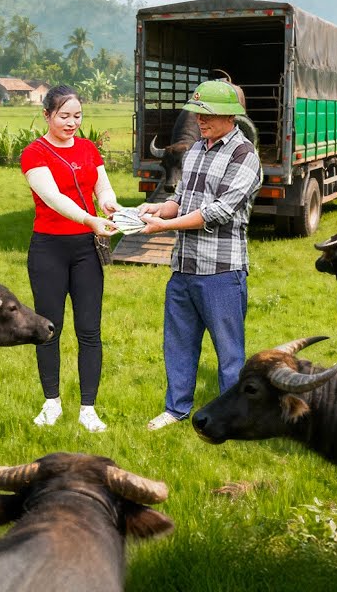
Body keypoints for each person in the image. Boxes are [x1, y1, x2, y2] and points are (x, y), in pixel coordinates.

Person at [136, 79, 262, 430]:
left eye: (205, 114)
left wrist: (165, 228)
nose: (198, 121)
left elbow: (219, 211)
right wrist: (159, 209)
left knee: (229, 355)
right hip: (183, 268)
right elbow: (185, 200)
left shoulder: (244, 155)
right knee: (178, 346)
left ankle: (234, 420)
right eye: (197, 113)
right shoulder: (195, 150)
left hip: (220, 271)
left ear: (228, 115)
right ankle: (175, 410)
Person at [20, 85, 118, 432]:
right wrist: (90, 219)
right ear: (46, 115)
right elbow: (53, 198)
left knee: (89, 330)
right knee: (49, 329)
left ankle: (88, 409)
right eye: (64, 116)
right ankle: (52, 403)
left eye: (77, 116)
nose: (72, 123)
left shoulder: (89, 148)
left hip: (86, 251)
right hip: (49, 249)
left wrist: (109, 204)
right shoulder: (34, 153)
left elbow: (101, 186)